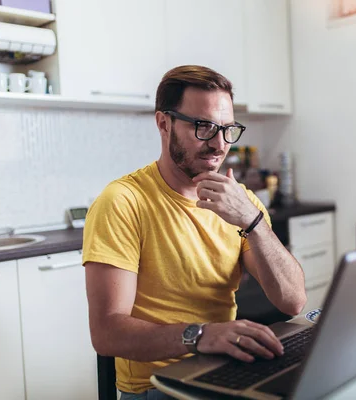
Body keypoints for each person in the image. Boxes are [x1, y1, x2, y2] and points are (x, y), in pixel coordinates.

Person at [82, 65, 307, 399]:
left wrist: (253, 222)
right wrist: (201, 336)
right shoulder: (122, 202)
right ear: (163, 123)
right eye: (203, 127)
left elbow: (293, 302)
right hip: (159, 386)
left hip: (224, 371)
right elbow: (106, 332)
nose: (219, 144)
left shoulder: (240, 202)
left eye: (227, 129)